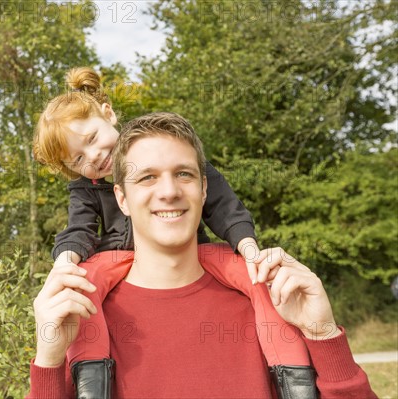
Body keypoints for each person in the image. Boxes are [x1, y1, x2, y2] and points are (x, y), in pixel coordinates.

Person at [27, 112, 376, 398]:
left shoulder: (275, 299)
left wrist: (323, 334)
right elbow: (77, 232)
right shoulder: (81, 318)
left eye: (183, 174)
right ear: (121, 198)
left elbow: (231, 214)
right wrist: (49, 358)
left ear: (204, 186)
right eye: (147, 177)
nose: (169, 192)